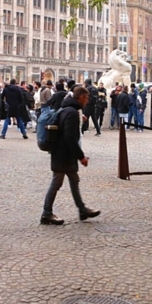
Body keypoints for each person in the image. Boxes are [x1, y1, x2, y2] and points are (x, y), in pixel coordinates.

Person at [40, 85, 102, 226]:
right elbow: (70, 137)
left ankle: (82, 209)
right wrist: (81, 157)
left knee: (74, 180)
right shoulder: (72, 113)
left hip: (62, 153)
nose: (87, 101)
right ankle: (46, 213)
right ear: (80, 97)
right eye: (86, 98)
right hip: (63, 154)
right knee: (56, 183)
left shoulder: (66, 109)